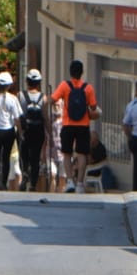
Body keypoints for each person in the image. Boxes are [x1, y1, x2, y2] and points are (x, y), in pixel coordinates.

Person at [51, 61, 100, 193]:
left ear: (70, 72)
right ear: (82, 72)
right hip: (83, 125)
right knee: (82, 154)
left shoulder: (64, 86)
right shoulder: (88, 88)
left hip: (68, 124)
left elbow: (52, 99)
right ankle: (79, 184)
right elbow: (93, 107)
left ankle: (69, 181)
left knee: (67, 153)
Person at [16, 69, 51, 192]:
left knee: (23, 154)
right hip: (38, 130)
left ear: (27, 81)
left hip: (25, 130)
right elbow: (45, 117)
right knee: (35, 157)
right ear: (39, 83)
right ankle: (33, 184)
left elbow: (18, 116)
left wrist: (20, 131)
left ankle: (25, 173)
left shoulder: (20, 95)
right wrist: (50, 133)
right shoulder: (43, 97)